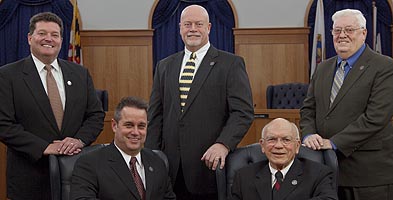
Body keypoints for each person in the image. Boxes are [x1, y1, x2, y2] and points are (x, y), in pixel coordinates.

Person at [146, 4, 254, 199]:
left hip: (208, 168)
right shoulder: (164, 66)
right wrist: (151, 156)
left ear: (209, 27)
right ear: (180, 28)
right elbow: (155, 115)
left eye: (198, 24)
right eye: (187, 24)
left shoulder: (230, 64)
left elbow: (243, 112)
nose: (193, 29)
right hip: (169, 170)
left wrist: (223, 143)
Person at [0, 12, 105, 200]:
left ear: (61, 40)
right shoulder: (8, 75)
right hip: (30, 178)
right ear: (30, 38)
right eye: (42, 33)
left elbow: (96, 116)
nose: (48, 39)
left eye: (54, 35)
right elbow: (4, 125)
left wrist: (78, 140)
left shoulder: (80, 74)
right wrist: (45, 147)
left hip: (76, 176)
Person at [300, 9, 393, 200]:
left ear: (364, 33)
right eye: (337, 30)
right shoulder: (323, 67)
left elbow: (375, 118)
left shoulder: (384, 66)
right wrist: (309, 134)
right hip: (324, 170)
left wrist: (333, 143)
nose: (342, 35)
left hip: (367, 173)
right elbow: (308, 109)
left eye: (349, 29)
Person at [71, 96, 176, 200]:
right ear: (114, 126)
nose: (135, 132)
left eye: (141, 126)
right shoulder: (89, 164)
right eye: (129, 125)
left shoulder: (157, 161)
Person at [231, 118, 338, 200]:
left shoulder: (318, 174)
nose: (278, 145)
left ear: (297, 146)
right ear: (262, 145)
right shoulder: (243, 176)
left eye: (286, 140)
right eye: (272, 139)